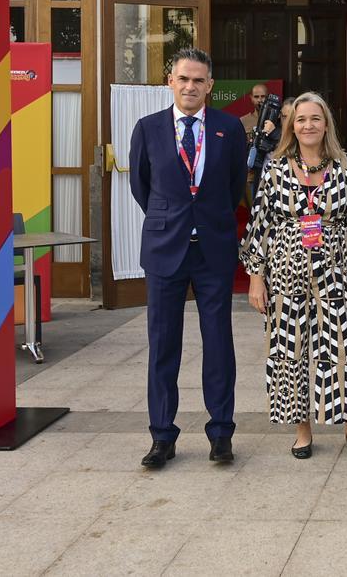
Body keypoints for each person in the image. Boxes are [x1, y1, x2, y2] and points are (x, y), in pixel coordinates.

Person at [240, 93, 347, 459]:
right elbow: (260, 225)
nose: (308, 125)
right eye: (300, 119)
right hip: (286, 273)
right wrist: (256, 278)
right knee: (290, 351)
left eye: (315, 118)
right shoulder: (274, 168)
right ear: (291, 126)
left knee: (342, 349)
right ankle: (302, 430)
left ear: (326, 124)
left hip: (335, 272)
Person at [129, 48, 248, 468]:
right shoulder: (147, 129)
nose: (190, 87)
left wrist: (204, 218)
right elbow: (143, 188)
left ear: (210, 85)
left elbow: (235, 186)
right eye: (183, 79)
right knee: (163, 345)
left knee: (218, 344)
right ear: (170, 82)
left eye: (199, 80)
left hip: (213, 249)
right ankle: (162, 436)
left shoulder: (229, 128)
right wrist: (173, 220)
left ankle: (221, 433)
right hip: (165, 250)